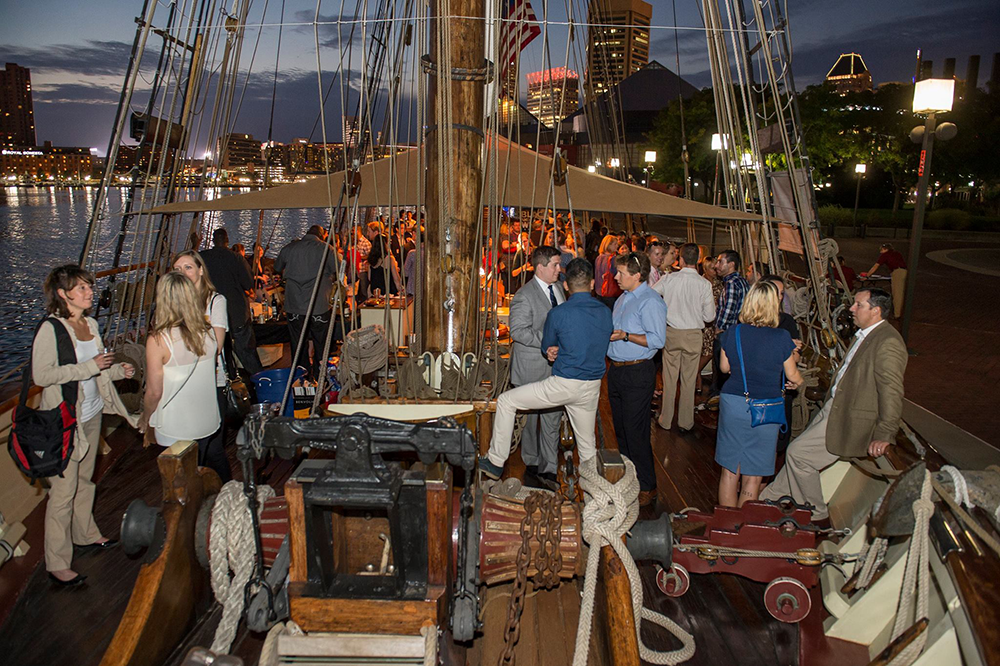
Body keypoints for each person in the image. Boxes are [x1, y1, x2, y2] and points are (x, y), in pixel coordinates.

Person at [759, 288, 907, 520]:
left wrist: (886, 432)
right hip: (835, 407)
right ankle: (768, 497)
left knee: (799, 454)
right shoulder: (866, 335)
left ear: (876, 311)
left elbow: (892, 391)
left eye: (858, 305)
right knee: (799, 452)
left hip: (849, 416)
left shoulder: (888, 343)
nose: (851, 309)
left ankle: (815, 512)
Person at [34, 265, 138, 586]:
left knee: (85, 481)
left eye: (89, 287)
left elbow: (98, 369)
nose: (90, 292)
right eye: (81, 288)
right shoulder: (51, 330)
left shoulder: (90, 324)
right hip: (65, 422)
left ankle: (85, 534)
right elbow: (43, 376)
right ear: (64, 295)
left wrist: (118, 370)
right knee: (63, 494)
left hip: (91, 414)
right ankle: (57, 562)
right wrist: (86, 367)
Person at [480, 259, 613, 479]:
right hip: (591, 387)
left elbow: (547, 345)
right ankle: (594, 496)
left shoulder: (559, 314)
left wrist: (555, 349)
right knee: (588, 446)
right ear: (591, 284)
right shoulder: (605, 312)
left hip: (564, 384)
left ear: (567, 287)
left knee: (506, 401)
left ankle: (495, 462)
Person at [715, 282, 804, 507]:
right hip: (766, 407)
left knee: (729, 471)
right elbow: (793, 376)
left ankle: (725, 528)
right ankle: (742, 530)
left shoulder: (733, 332)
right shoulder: (782, 337)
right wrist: (797, 379)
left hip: (734, 402)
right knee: (753, 475)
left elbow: (725, 368)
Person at [500, 246, 565, 487]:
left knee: (552, 417)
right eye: (555, 265)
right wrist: (548, 342)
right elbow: (518, 331)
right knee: (529, 421)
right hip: (531, 366)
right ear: (540, 267)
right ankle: (532, 461)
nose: (559, 269)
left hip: (556, 367)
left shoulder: (558, 289)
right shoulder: (524, 295)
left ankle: (549, 467)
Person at [607, 251, 667, 506]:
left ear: (637, 275)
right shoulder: (623, 299)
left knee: (636, 430)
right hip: (618, 370)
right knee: (620, 429)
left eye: (621, 273)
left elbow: (657, 339)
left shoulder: (650, 301)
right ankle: (628, 478)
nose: (616, 276)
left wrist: (626, 336)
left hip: (637, 371)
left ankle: (648, 486)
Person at [140, 272, 220, 454]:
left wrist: (145, 418)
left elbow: (154, 392)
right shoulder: (209, 333)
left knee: (178, 480)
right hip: (207, 421)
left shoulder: (159, 341)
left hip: (175, 427)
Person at [172, 251, 233, 483]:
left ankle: (225, 493)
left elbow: (216, 347)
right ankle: (201, 496)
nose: (183, 273)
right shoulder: (174, 304)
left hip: (210, 383)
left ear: (200, 270)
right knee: (194, 448)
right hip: (182, 384)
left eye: (188, 267)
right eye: (177, 269)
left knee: (212, 448)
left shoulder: (215, 302)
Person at [653, 243, 716, 433]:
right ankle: (685, 422)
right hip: (693, 335)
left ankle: (665, 419)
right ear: (697, 260)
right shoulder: (705, 284)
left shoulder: (669, 279)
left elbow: (651, 295)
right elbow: (710, 317)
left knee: (670, 378)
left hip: (672, 332)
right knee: (689, 380)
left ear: (680, 259)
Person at [275, 225, 340, 379]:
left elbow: (277, 267)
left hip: (294, 305)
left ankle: (301, 375)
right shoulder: (327, 249)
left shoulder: (289, 248)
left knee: (298, 343)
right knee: (320, 343)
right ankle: (320, 375)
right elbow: (338, 269)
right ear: (322, 235)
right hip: (319, 305)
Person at [199, 228, 263, 375]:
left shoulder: (203, 258)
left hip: (212, 311)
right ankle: (259, 379)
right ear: (227, 241)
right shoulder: (236, 258)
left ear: (213, 241)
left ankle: (230, 376)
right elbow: (248, 283)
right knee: (246, 350)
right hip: (236, 311)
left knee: (221, 350)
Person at [762, 275, 803, 454]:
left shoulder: (787, 321)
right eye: (775, 292)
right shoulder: (749, 321)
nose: (779, 297)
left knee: (779, 440)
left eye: (781, 293)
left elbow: (797, 358)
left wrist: (793, 350)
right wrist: (787, 346)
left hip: (781, 384)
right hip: (757, 388)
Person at [708, 250, 750, 399]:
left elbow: (728, 309)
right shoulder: (743, 282)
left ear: (731, 265)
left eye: (720, 261)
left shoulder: (731, 284)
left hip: (726, 333)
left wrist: (718, 330)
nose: (716, 265)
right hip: (738, 332)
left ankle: (719, 399)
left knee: (722, 370)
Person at [698, 257, 723, 394]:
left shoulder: (720, 284)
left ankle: (699, 380)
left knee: (712, 354)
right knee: (706, 353)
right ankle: (695, 374)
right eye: (713, 269)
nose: (716, 271)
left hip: (716, 323)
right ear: (706, 269)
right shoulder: (700, 283)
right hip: (704, 324)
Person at [862, 243, 907, 318]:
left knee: (897, 294)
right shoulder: (897, 253)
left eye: (882, 250)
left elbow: (876, 266)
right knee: (901, 292)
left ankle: (897, 314)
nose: (880, 252)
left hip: (897, 272)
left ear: (886, 249)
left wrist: (867, 275)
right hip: (904, 271)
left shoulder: (885, 255)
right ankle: (901, 312)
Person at [594, 234, 622, 309]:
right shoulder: (613, 259)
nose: (617, 246)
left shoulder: (598, 258)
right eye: (615, 244)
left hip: (599, 292)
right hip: (610, 293)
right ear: (608, 245)